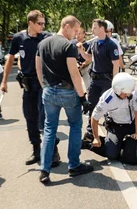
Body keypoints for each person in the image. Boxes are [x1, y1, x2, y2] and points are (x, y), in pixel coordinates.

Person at [36, 16, 94, 183]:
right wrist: (82, 97)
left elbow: (38, 68)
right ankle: (74, 165)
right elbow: (74, 73)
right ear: (67, 27)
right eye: (75, 31)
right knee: (75, 126)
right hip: (67, 92)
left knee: (49, 129)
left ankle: (44, 170)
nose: (76, 35)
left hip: (48, 92)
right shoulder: (68, 46)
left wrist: (44, 87)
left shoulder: (42, 44)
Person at [1, 10, 59, 165]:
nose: (42, 26)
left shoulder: (47, 38)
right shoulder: (18, 38)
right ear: (31, 23)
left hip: (43, 83)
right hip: (28, 85)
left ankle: (54, 152)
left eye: (43, 23)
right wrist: (4, 81)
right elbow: (11, 59)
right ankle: (36, 151)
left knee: (45, 118)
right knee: (30, 118)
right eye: (40, 23)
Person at [77, 19, 120, 141]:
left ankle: (112, 133)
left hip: (107, 81)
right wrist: (81, 51)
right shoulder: (94, 43)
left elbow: (115, 65)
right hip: (95, 81)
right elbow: (88, 58)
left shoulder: (111, 44)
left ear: (102, 28)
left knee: (109, 106)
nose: (92, 29)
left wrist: (114, 84)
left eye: (94, 27)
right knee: (92, 105)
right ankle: (90, 132)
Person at [91, 72, 137, 164]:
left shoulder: (133, 93)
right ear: (117, 90)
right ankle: (94, 140)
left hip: (132, 125)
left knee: (134, 154)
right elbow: (95, 118)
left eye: (128, 94)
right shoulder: (107, 99)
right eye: (125, 94)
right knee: (111, 155)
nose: (128, 96)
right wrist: (96, 137)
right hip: (116, 126)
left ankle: (123, 145)